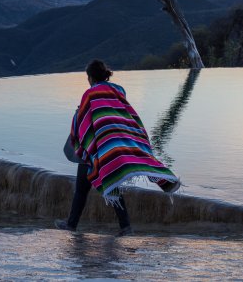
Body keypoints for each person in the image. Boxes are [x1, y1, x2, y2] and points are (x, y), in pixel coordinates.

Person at [55, 59, 180, 236]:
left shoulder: (89, 94)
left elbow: (81, 120)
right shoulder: (119, 90)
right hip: (119, 140)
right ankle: (126, 225)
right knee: (114, 177)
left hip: (99, 146)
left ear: (90, 77)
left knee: (83, 189)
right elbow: (117, 110)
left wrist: (78, 120)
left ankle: (73, 224)